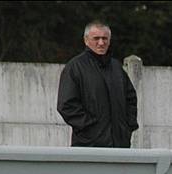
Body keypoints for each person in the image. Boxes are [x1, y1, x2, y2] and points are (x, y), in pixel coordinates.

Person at [57, 20, 138, 148]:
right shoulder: (75, 68)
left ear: (109, 40)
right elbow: (66, 105)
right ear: (86, 40)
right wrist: (90, 128)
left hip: (120, 146)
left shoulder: (117, 68)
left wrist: (127, 127)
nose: (101, 42)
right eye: (96, 38)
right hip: (88, 146)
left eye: (105, 38)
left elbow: (131, 98)